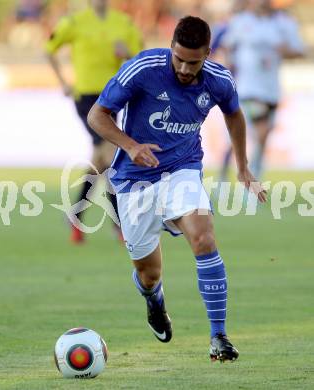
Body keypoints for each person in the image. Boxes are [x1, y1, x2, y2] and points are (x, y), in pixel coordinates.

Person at [88, 16, 266, 362]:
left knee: (204, 237)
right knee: (149, 274)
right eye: (179, 58)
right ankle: (155, 302)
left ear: (207, 54)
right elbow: (98, 115)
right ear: (171, 47)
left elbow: (234, 115)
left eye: (193, 61)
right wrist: (130, 145)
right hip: (134, 179)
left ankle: (219, 337)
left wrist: (243, 166)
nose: (184, 68)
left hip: (182, 170)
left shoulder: (219, 80)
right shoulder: (142, 68)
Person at [45, 0, 143, 243]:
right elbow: (49, 49)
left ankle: (76, 216)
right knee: (110, 156)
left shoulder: (123, 22)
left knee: (100, 160)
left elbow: (139, 58)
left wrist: (126, 54)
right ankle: (120, 225)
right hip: (87, 98)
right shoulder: (75, 21)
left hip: (112, 95)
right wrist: (63, 82)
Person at [218, 0, 304, 181]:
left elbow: (299, 51)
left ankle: (245, 176)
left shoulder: (284, 24)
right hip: (247, 88)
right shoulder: (241, 21)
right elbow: (227, 45)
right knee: (257, 132)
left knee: (258, 139)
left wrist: (285, 50)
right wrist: (229, 68)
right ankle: (236, 176)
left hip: (271, 90)